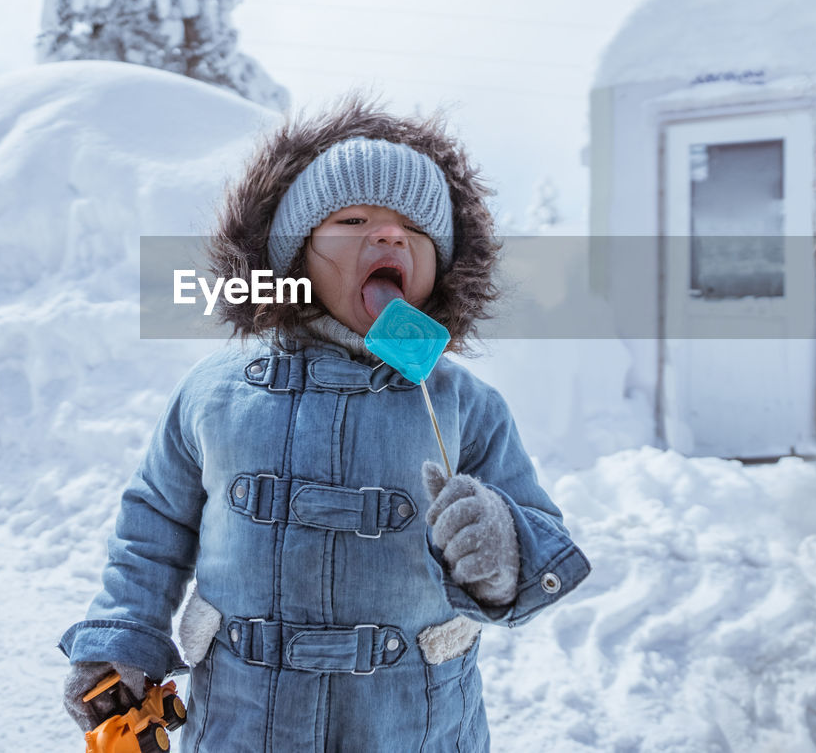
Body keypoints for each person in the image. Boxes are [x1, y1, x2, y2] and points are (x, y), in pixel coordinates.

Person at [60, 95, 591, 751]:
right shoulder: (215, 394)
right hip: (244, 724)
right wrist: (123, 636)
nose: (389, 235)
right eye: (355, 219)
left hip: (412, 726)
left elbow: (540, 534)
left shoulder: (462, 404)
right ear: (294, 254)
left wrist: (505, 549)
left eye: (415, 230)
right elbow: (152, 527)